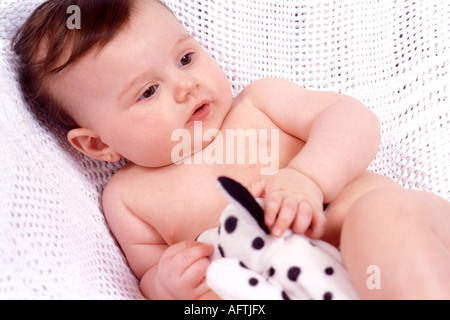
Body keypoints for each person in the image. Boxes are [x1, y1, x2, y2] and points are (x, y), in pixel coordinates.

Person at [13, 0, 450, 300]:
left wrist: (309, 178)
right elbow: (147, 277)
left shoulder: (259, 104)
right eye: (148, 91)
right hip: (290, 289)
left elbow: (353, 119)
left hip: (398, 247)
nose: (187, 86)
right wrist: (167, 285)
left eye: (185, 59)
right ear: (98, 143)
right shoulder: (129, 198)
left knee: (381, 221)